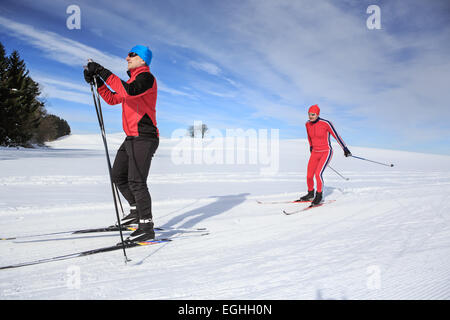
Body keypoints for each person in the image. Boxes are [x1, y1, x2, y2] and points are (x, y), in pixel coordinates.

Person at [83, 45, 158, 242]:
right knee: (118, 175)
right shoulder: (132, 80)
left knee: (136, 181)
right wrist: (98, 82)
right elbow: (112, 99)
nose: (127, 57)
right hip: (131, 137)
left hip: (145, 136)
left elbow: (129, 92)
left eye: (132, 55)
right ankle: (135, 212)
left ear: (143, 59)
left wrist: (101, 71)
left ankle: (146, 225)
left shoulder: (146, 79)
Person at [297, 104, 351, 205]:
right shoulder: (307, 124)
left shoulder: (326, 123)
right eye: (309, 114)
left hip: (326, 152)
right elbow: (309, 137)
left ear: (317, 114)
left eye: (313, 114)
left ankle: (319, 195)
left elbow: (336, 135)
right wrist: (311, 146)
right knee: (309, 175)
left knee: (318, 174)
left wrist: (345, 148)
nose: (310, 116)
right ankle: (310, 194)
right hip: (315, 152)